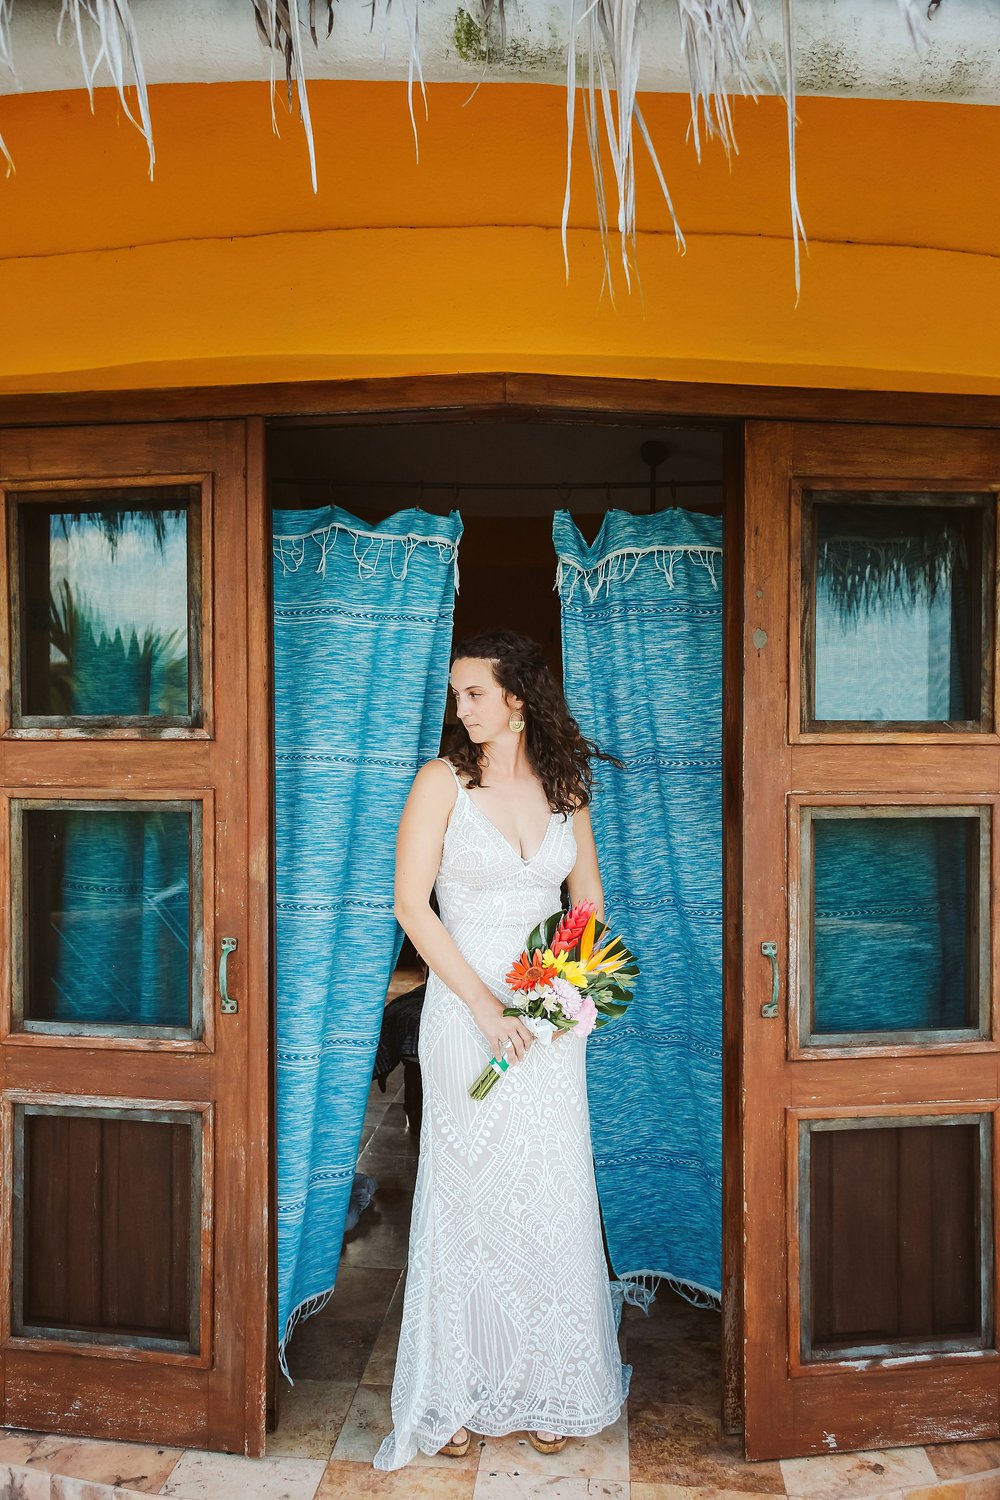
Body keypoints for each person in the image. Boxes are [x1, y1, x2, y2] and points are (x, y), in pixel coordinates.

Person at [373, 628, 631, 1471]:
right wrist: (486, 1006)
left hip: (548, 1023)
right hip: (464, 1016)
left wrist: (564, 988)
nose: (461, 709)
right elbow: (413, 907)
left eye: (474, 693)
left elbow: (585, 895)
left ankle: (545, 1385)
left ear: (517, 696)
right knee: (469, 1198)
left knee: (550, 1194)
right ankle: (457, 1392)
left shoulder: (566, 787)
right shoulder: (439, 783)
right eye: (457, 695)